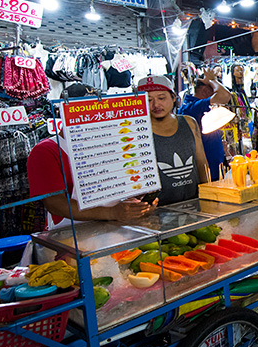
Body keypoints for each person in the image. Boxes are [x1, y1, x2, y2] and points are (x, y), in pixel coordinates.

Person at [28, 83, 155, 228]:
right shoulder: (45, 151)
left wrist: (138, 203)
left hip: (113, 229)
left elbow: (120, 189)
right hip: (69, 233)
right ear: (62, 112)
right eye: (83, 109)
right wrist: (112, 213)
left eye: (95, 108)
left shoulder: (109, 144)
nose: (90, 115)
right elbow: (55, 204)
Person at [137, 75, 211, 205]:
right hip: (159, 208)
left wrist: (209, 195)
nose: (156, 105)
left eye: (161, 98)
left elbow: (201, 163)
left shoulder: (189, 123)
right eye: (149, 100)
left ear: (173, 98)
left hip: (194, 202)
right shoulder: (138, 132)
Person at [177, 69, 232, 181]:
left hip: (213, 169)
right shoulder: (194, 107)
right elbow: (225, 96)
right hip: (207, 173)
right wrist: (212, 80)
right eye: (213, 89)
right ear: (205, 90)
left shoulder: (195, 106)